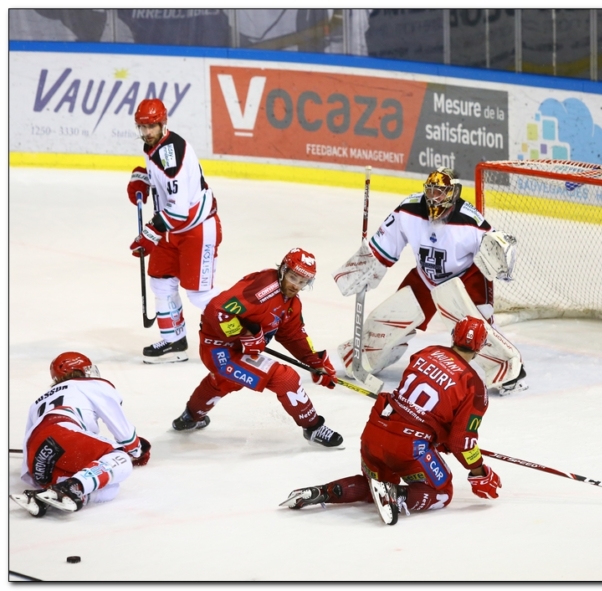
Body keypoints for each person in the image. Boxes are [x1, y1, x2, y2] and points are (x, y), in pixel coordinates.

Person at [281, 315, 502, 525]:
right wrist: (479, 472)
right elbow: (461, 442)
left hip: (375, 430)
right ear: (481, 347)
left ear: (454, 335)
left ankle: (323, 492)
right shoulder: (474, 385)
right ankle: (397, 495)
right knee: (441, 493)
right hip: (408, 445)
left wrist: (439, 436)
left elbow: (418, 406)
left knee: (375, 484)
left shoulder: (427, 352)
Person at [332, 167, 527, 393]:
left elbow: (492, 254)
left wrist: (500, 256)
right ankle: (365, 357)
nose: (435, 197)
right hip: (425, 276)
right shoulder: (408, 210)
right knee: (387, 318)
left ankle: (509, 370)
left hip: (465, 277)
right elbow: (384, 246)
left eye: (441, 192)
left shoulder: (471, 221)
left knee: (475, 329)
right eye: (431, 190)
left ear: (454, 193)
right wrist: (366, 266)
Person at [171, 248, 344, 449]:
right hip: (219, 349)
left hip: (239, 351)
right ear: (283, 271)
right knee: (284, 378)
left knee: (226, 381)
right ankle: (313, 428)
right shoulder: (263, 290)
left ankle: (191, 417)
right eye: (292, 277)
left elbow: (293, 335)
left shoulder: (290, 303)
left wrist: (315, 363)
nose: (296, 285)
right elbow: (216, 310)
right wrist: (242, 335)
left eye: (302, 282)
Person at [128, 97, 222, 364]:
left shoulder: (171, 155)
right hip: (172, 228)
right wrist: (142, 178)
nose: (146, 133)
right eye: (142, 127)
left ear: (163, 122)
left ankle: (241, 335)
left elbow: (180, 210)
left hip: (196, 228)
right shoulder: (157, 145)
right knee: (160, 280)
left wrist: (150, 233)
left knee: (200, 295)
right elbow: (164, 184)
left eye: (151, 126)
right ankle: (174, 342)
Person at [10, 352, 151, 517]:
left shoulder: (37, 402)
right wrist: (135, 450)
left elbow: (30, 441)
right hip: (61, 432)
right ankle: (72, 487)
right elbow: (125, 436)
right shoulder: (90, 384)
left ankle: (49, 496)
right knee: (121, 460)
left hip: (37, 461)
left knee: (110, 488)